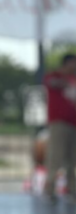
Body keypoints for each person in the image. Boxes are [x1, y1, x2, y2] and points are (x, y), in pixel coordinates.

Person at [42, 53, 76, 201]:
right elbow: (51, 82)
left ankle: (72, 189)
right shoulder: (54, 76)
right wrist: (66, 84)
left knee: (72, 158)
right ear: (66, 63)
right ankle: (50, 189)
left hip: (73, 123)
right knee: (56, 155)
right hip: (59, 122)